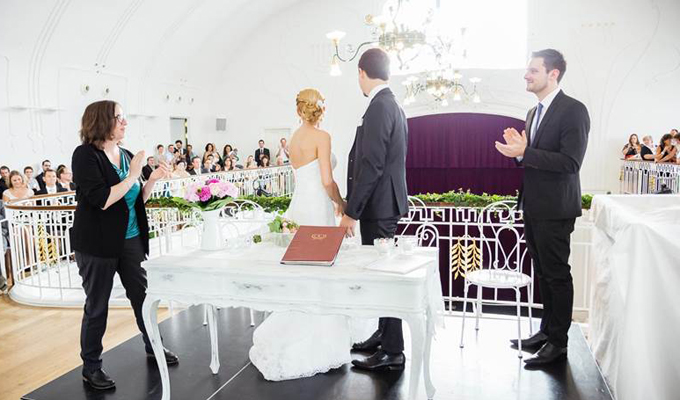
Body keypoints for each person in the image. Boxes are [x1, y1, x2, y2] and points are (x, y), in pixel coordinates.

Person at [70, 100, 177, 391]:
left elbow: (133, 201)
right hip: (96, 245)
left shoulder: (126, 154)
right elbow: (103, 200)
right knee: (97, 306)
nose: (125, 122)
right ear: (103, 121)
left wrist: (151, 180)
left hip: (130, 240)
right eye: (119, 117)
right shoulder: (85, 156)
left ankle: (153, 346)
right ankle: (91, 367)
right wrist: (133, 174)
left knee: (143, 298)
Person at [495, 49, 589, 366]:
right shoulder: (533, 113)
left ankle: (559, 344)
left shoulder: (574, 110)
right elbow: (535, 159)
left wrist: (527, 152)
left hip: (557, 209)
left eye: (533, 70)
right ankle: (545, 332)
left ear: (554, 74)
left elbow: (570, 162)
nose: (526, 75)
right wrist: (519, 154)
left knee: (557, 276)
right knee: (543, 275)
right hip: (533, 207)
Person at [249, 88, 349, 381]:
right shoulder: (322, 137)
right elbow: (327, 180)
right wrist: (341, 202)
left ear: (298, 110)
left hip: (299, 204)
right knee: (320, 271)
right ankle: (317, 341)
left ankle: (293, 325)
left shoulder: (294, 138)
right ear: (321, 110)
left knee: (300, 270)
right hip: (318, 205)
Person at [339, 48, 409, 372]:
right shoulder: (388, 104)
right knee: (380, 273)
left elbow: (372, 164)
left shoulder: (381, 106)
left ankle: (393, 351)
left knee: (383, 278)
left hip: (379, 208)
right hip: (382, 205)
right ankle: (383, 335)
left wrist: (352, 211)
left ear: (362, 73)